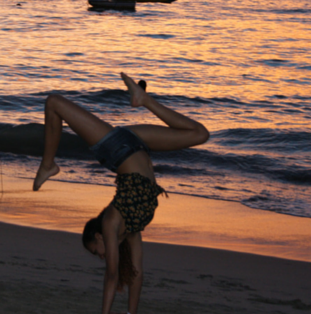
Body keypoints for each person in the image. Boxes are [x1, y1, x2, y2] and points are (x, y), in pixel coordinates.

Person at [33, 72, 209, 314]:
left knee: (54, 102)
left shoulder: (110, 223)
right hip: (138, 144)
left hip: (117, 150)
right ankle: (143, 100)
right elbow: (136, 275)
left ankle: (47, 165)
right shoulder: (132, 230)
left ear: (98, 238)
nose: (102, 257)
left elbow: (112, 276)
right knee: (200, 134)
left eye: (97, 252)